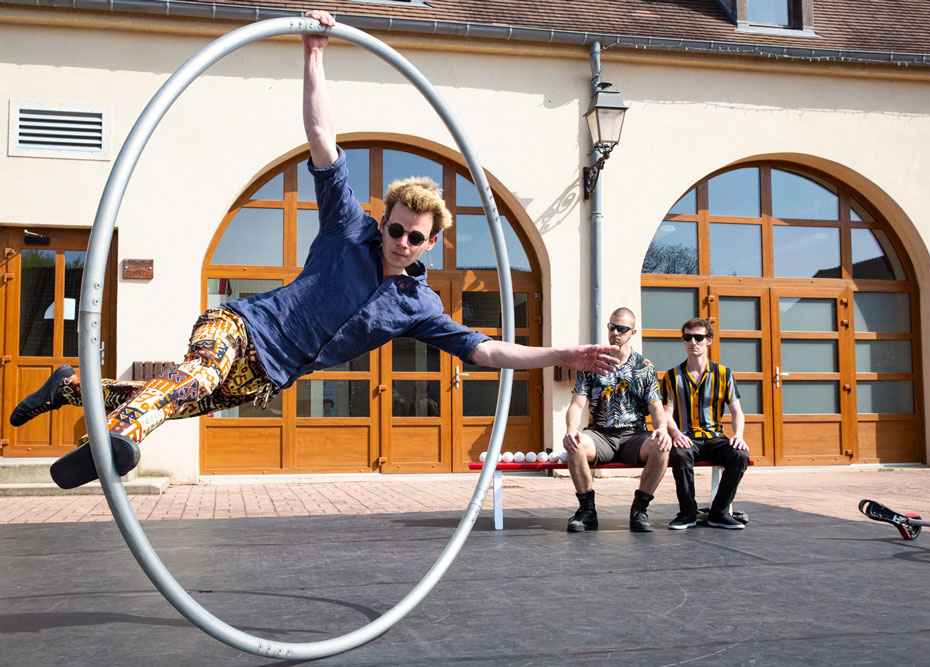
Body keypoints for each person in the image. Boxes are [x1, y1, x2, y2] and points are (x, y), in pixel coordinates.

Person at [10, 10, 619, 489]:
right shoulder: (346, 227)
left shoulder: (418, 305)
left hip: (266, 378)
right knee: (189, 382)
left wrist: (565, 351)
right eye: (395, 228)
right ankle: (111, 441)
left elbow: (487, 349)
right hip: (240, 328)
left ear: (432, 242)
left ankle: (70, 388)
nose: (400, 242)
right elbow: (323, 137)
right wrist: (315, 52)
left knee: (177, 395)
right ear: (384, 220)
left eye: (415, 236)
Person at [563, 307, 671, 533]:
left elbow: (655, 406)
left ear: (633, 332)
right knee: (575, 444)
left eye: (621, 329)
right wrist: (571, 429)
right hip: (600, 435)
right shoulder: (592, 365)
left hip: (634, 436)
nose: (615, 333)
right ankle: (587, 512)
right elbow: (577, 403)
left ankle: (639, 510)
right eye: (611, 327)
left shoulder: (644, 368)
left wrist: (662, 428)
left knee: (661, 447)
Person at [662, 318, 750, 530]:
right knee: (680, 454)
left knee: (740, 455)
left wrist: (738, 435)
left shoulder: (723, 374)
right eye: (687, 337)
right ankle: (687, 513)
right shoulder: (672, 376)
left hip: (715, 438)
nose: (693, 342)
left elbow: (737, 412)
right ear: (683, 341)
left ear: (709, 340)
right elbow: (666, 414)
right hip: (687, 439)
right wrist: (675, 434)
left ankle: (718, 512)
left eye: (699, 337)